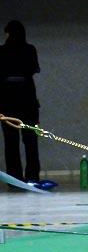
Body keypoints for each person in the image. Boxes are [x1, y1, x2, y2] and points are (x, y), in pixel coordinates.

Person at [0, 20, 41, 184]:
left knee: (11, 142)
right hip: (27, 101)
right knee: (30, 140)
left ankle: (14, 177)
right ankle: (32, 176)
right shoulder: (29, 50)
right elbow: (33, 69)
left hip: (7, 101)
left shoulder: (2, 51)